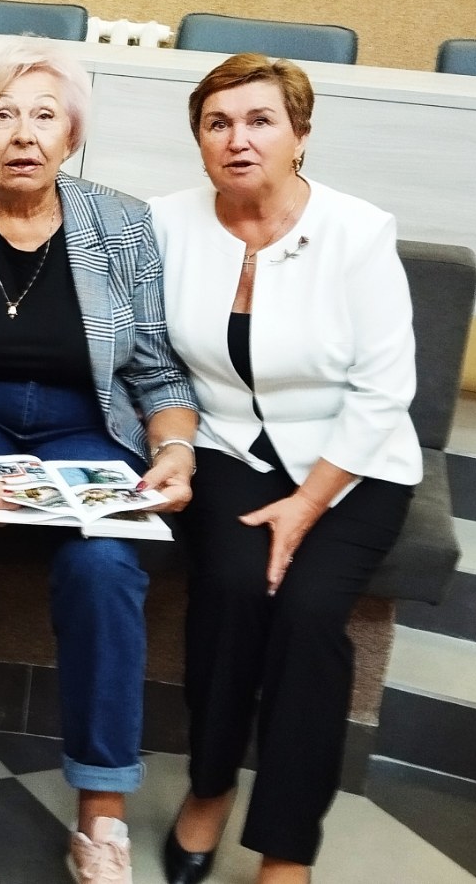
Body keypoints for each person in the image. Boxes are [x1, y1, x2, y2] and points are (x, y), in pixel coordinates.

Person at [0, 38, 199, 884]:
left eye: (45, 116)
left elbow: (157, 372)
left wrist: (175, 450)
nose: (24, 133)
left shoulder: (121, 222)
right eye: (3, 114)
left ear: (71, 136)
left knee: (106, 565)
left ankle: (102, 813)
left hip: (84, 425)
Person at [150, 54, 419, 884]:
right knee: (231, 589)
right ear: (199, 140)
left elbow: (384, 390)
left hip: (354, 459)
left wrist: (306, 504)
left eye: (260, 120)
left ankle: (287, 847)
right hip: (230, 446)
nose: (238, 139)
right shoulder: (164, 223)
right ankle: (210, 785)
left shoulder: (358, 232)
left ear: (300, 134)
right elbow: (152, 360)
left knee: (308, 613)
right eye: (218, 123)